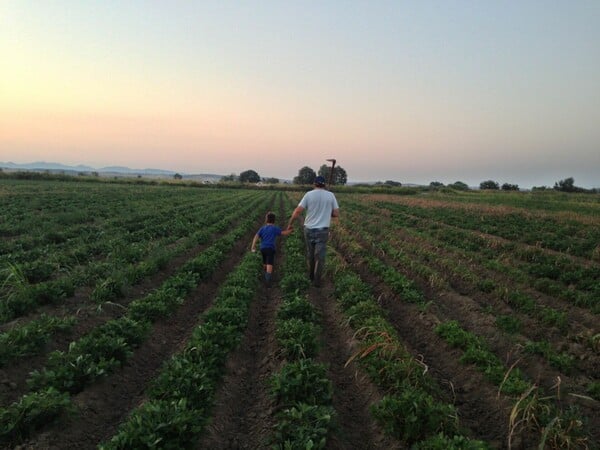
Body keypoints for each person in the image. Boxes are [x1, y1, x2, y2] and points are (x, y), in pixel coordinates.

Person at [287, 175, 339, 287]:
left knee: (310, 254)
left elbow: (297, 211)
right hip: (322, 231)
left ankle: (310, 276)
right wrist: (327, 211)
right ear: (324, 184)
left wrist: (290, 223)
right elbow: (336, 214)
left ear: (314, 184)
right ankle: (317, 281)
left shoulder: (308, 195)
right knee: (320, 257)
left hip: (309, 230)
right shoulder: (331, 195)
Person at [251, 212, 293, 285]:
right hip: (270, 248)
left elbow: (256, 237)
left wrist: (253, 246)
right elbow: (284, 233)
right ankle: (267, 281)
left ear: (266, 220)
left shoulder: (262, 228)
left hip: (263, 248)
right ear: (274, 220)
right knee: (270, 263)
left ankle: (265, 272)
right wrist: (290, 230)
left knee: (265, 262)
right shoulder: (274, 228)